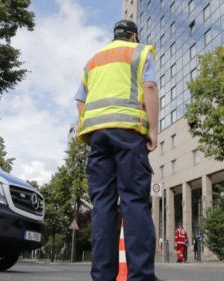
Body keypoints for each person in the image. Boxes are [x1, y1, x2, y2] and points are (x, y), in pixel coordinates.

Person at [75, 19, 160, 281]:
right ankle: (141, 276)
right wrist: (153, 130)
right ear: (134, 36)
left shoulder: (93, 61)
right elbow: (150, 87)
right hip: (129, 134)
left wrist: (91, 130)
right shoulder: (140, 52)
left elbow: (80, 100)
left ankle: (102, 276)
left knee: (102, 205)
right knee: (134, 201)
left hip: (98, 137)